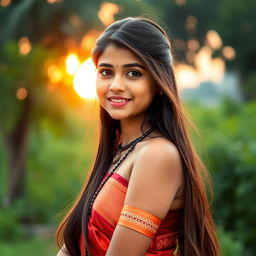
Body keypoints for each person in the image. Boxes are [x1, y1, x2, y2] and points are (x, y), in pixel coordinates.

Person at [56, 17, 220, 256]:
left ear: (158, 81)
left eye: (133, 73)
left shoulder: (157, 155)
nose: (116, 85)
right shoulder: (121, 150)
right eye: (106, 72)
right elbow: (80, 243)